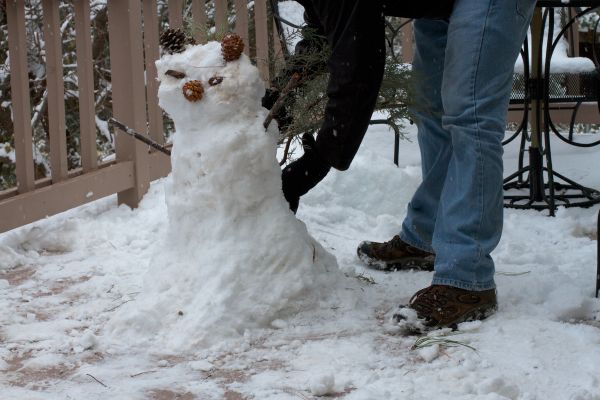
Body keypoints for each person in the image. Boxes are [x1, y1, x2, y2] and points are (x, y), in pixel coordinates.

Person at [280, 0, 538, 331]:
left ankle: (467, 277)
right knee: (431, 109)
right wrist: (280, 97)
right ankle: (427, 235)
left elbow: (358, 64)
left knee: (469, 115)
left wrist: (316, 163)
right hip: (437, 8)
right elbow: (323, 31)